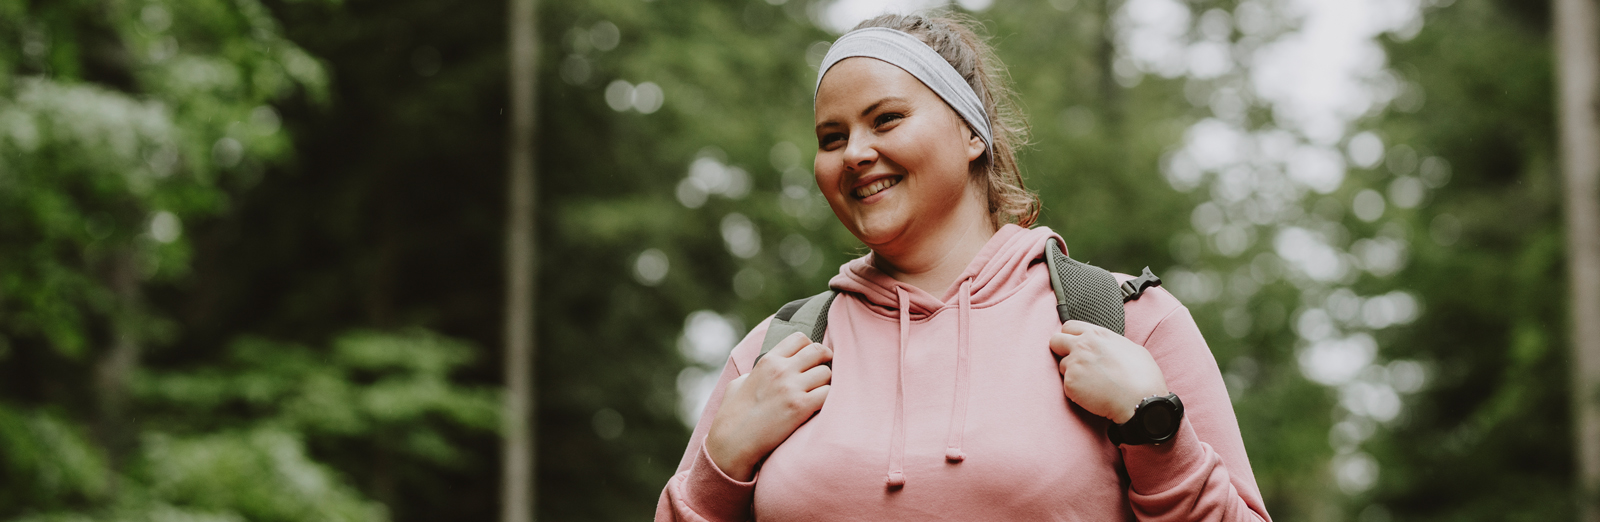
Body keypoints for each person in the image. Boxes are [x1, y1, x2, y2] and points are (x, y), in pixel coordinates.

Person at [657, 11, 1272, 522]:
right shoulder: (775, 354)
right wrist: (719, 470)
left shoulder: (1128, 321)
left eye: (886, 119)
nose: (856, 153)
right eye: (831, 137)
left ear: (971, 131)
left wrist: (1155, 430)